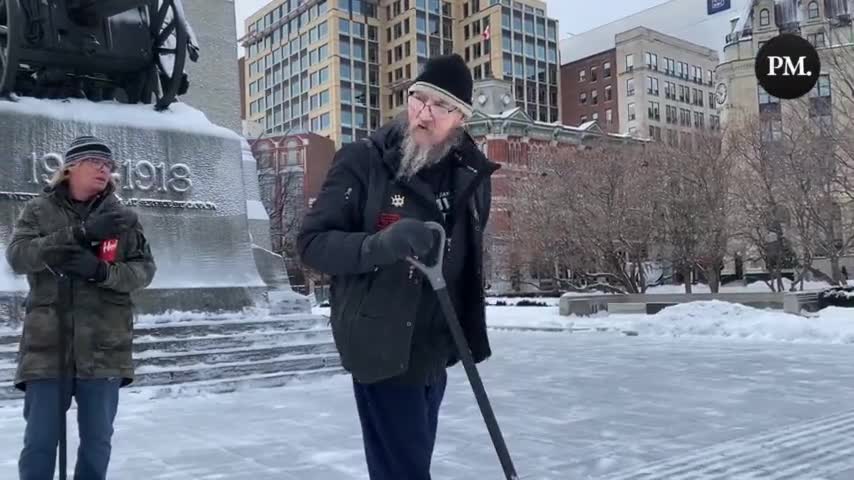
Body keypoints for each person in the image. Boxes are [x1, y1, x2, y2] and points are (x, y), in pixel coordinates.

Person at [297, 54, 500, 480]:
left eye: (440, 106)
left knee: (409, 464)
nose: (424, 114)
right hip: (382, 342)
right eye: (418, 99)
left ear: (461, 117)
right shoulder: (363, 162)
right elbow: (313, 244)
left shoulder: (471, 175)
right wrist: (380, 245)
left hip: (436, 346)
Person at [6, 135, 156, 480]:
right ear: (70, 167)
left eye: (109, 166)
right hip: (48, 347)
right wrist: (80, 233)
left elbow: (144, 270)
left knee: (97, 442)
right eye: (96, 163)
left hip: (105, 346)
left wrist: (102, 271)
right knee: (40, 441)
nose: (105, 170)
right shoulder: (38, 210)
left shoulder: (123, 218)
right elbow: (18, 257)